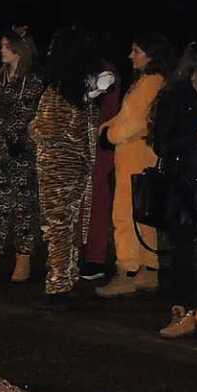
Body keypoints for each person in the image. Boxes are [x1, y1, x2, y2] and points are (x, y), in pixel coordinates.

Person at [95, 33, 175, 298]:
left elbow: (133, 121)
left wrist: (109, 135)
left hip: (134, 156)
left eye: (136, 50)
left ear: (151, 55)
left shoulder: (149, 83)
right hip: (141, 154)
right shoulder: (151, 81)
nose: (131, 55)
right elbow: (126, 116)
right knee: (143, 212)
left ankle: (128, 269)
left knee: (126, 213)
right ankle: (149, 269)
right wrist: (107, 128)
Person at [28, 26, 102, 309]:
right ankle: (68, 279)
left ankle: (58, 286)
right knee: (68, 226)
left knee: (57, 227)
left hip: (57, 168)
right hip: (77, 166)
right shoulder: (83, 93)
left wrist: (32, 127)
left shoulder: (59, 91)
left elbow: (45, 129)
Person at [149, 42, 197, 337]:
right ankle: (182, 310)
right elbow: (162, 144)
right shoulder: (175, 96)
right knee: (184, 251)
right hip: (183, 187)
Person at [0, 27, 44, 282]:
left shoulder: (35, 81)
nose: (1, 50)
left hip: (22, 156)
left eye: (6, 46)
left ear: (20, 49)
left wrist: (25, 141)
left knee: (23, 208)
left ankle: (22, 260)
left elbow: (39, 118)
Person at [79, 47, 122, 281]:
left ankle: (94, 258)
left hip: (98, 146)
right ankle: (79, 251)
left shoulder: (105, 73)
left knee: (97, 202)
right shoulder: (80, 71)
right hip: (81, 145)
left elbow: (108, 108)